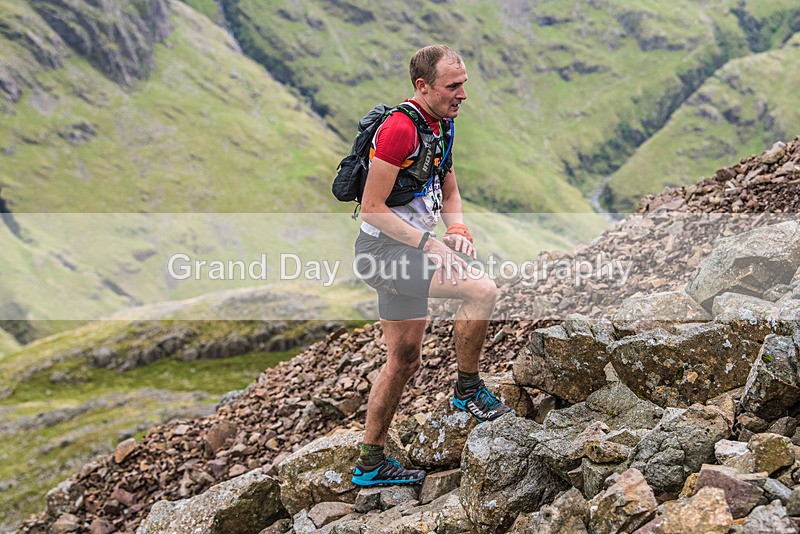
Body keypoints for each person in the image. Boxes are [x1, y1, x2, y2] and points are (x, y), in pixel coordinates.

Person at [351, 44, 514, 487]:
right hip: (383, 255)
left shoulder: (441, 125)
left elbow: (450, 187)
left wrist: (456, 228)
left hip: (406, 252)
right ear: (423, 86)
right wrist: (430, 244)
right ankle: (467, 392)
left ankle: (370, 465)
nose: (463, 94)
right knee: (481, 290)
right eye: (453, 86)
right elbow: (371, 208)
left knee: (403, 359)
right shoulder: (400, 130)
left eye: (464, 84)